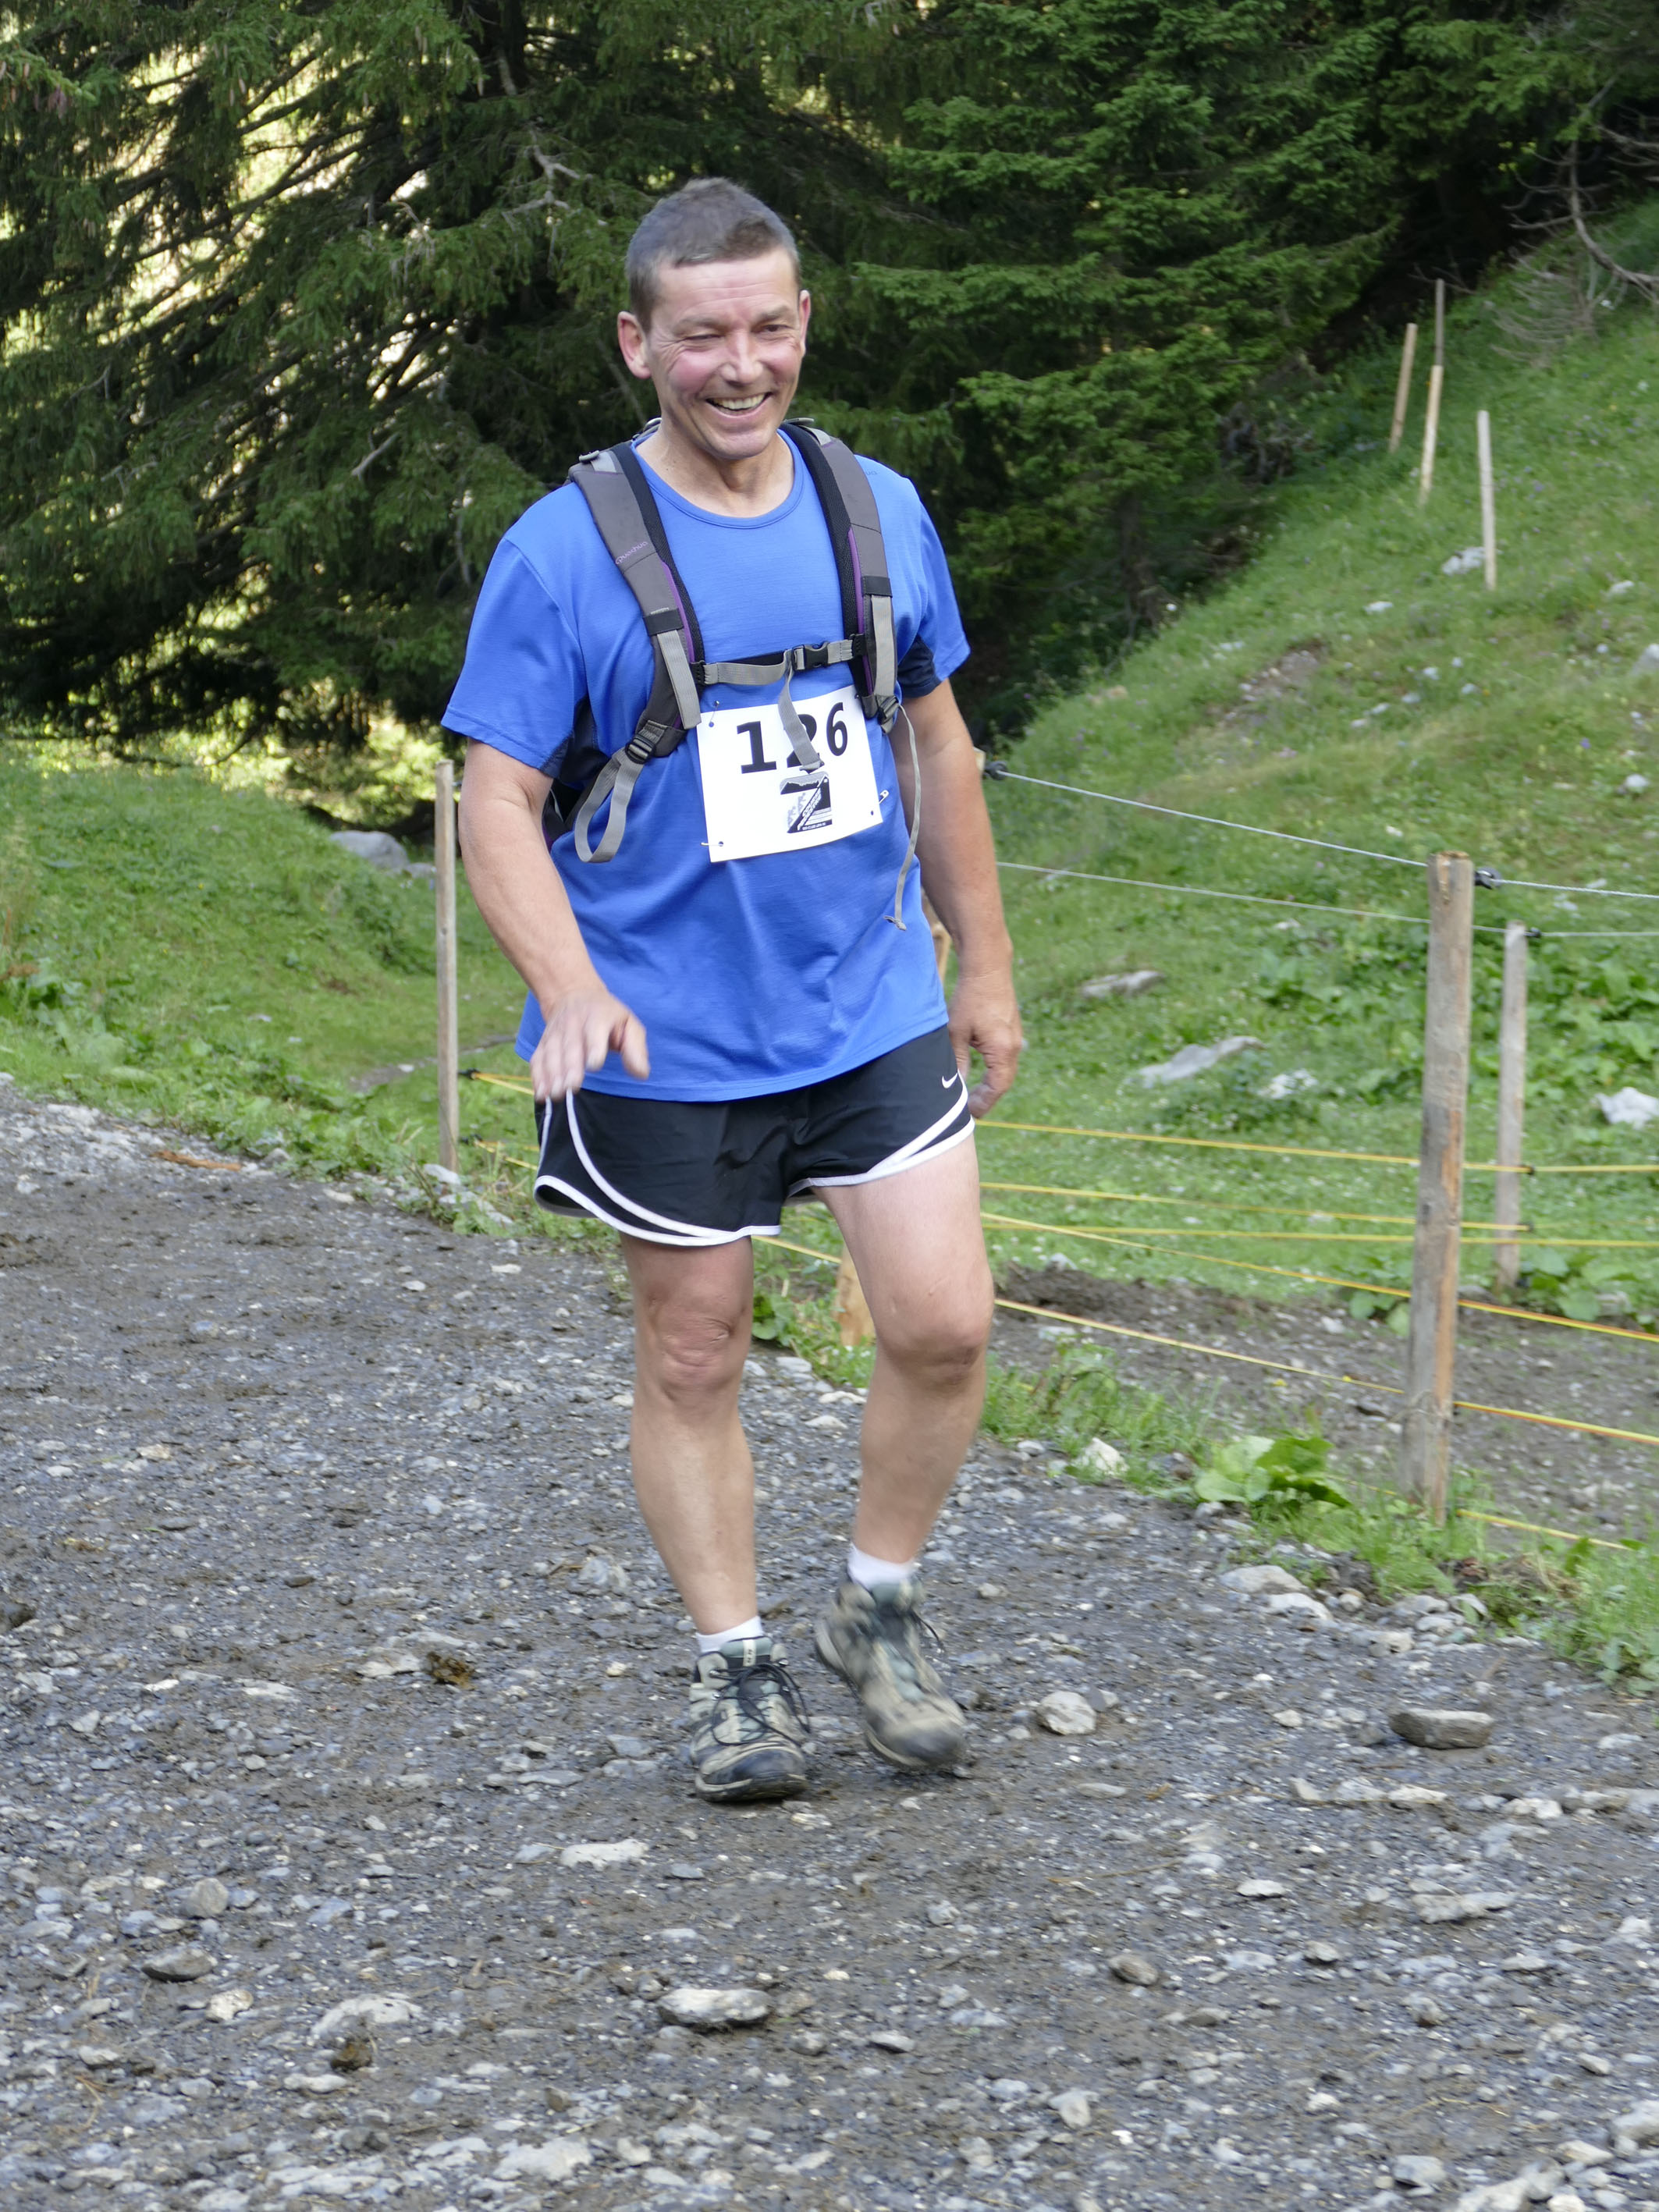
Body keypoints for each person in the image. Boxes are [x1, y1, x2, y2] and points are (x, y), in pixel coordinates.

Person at [447, 177, 1021, 1803]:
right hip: (660, 1023)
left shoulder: (874, 511)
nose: (741, 363)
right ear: (639, 345)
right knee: (696, 1348)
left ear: (804, 325)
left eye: (768, 327)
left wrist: (982, 958)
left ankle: (876, 1606)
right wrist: (564, 982)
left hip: (865, 997)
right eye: (703, 336)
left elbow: (937, 744)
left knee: (944, 1323)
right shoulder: (560, 552)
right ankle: (735, 1670)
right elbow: (494, 795)